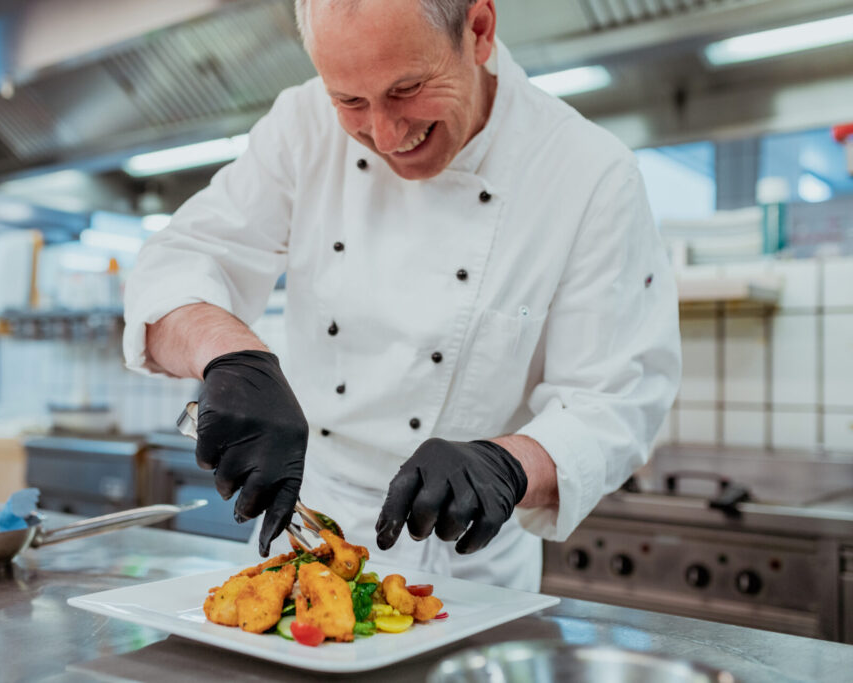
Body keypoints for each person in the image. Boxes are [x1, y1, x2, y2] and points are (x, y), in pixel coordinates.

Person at [123, 0, 681, 591]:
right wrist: (231, 358)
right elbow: (181, 260)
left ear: (480, 30)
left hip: (463, 566)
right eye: (351, 102)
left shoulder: (589, 172)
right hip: (304, 537)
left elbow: (616, 400)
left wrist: (510, 463)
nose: (385, 136)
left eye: (408, 88)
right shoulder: (300, 124)